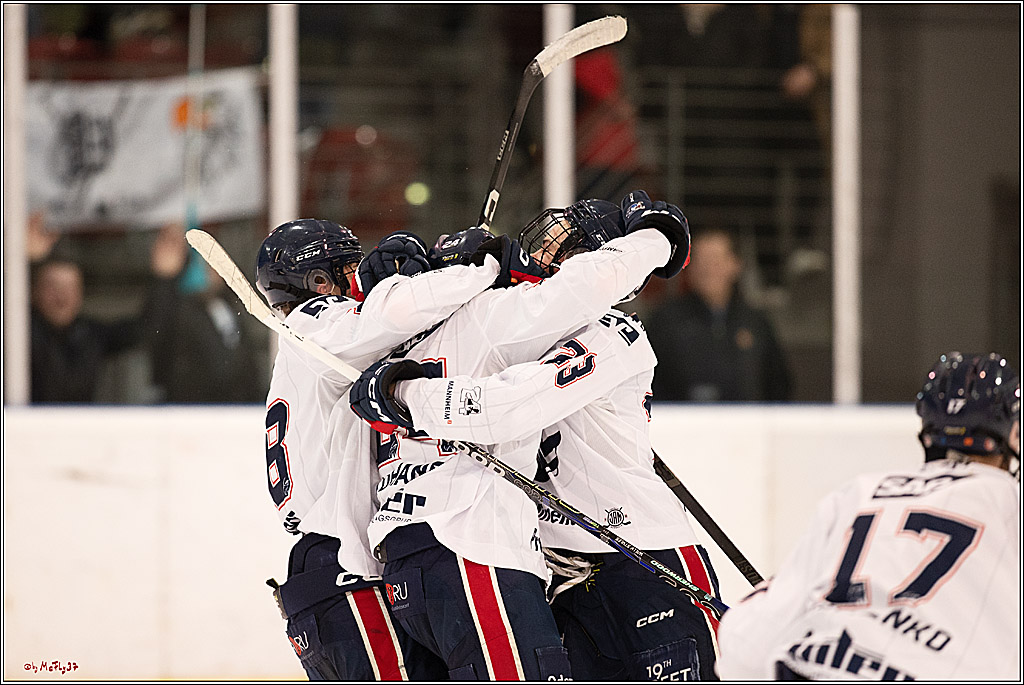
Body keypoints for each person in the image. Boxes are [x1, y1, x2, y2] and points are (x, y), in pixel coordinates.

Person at [350, 191, 721, 681]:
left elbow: (508, 406)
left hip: (640, 560)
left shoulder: (613, 331)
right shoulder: (525, 330)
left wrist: (406, 396)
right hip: (560, 574)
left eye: (568, 246)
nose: (545, 252)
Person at [256, 220, 503, 681]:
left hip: (329, 573)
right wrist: (479, 269)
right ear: (319, 283)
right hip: (340, 572)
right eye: (349, 267)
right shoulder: (315, 324)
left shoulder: (308, 353)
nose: (360, 278)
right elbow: (388, 318)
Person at [716, 351, 1021, 680]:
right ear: (1013, 433)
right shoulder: (1010, 501)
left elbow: (742, 649)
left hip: (811, 665)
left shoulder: (860, 492)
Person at [29, 217, 184, 403]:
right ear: (34, 292)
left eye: (71, 287)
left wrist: (164, 277)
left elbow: (147, 330)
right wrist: (15, 254)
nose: (62, 297)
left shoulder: (89, 335)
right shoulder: (17, 330)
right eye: (52, 286)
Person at [646, 226, 792, 402]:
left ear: (735, 264)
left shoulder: (755, 322)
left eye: (715, 260)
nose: (707, 270)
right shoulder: (665, 321)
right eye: (700, 261)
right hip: (684, 424)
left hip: (747, 424)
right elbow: (649, 382)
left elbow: (778, 385)